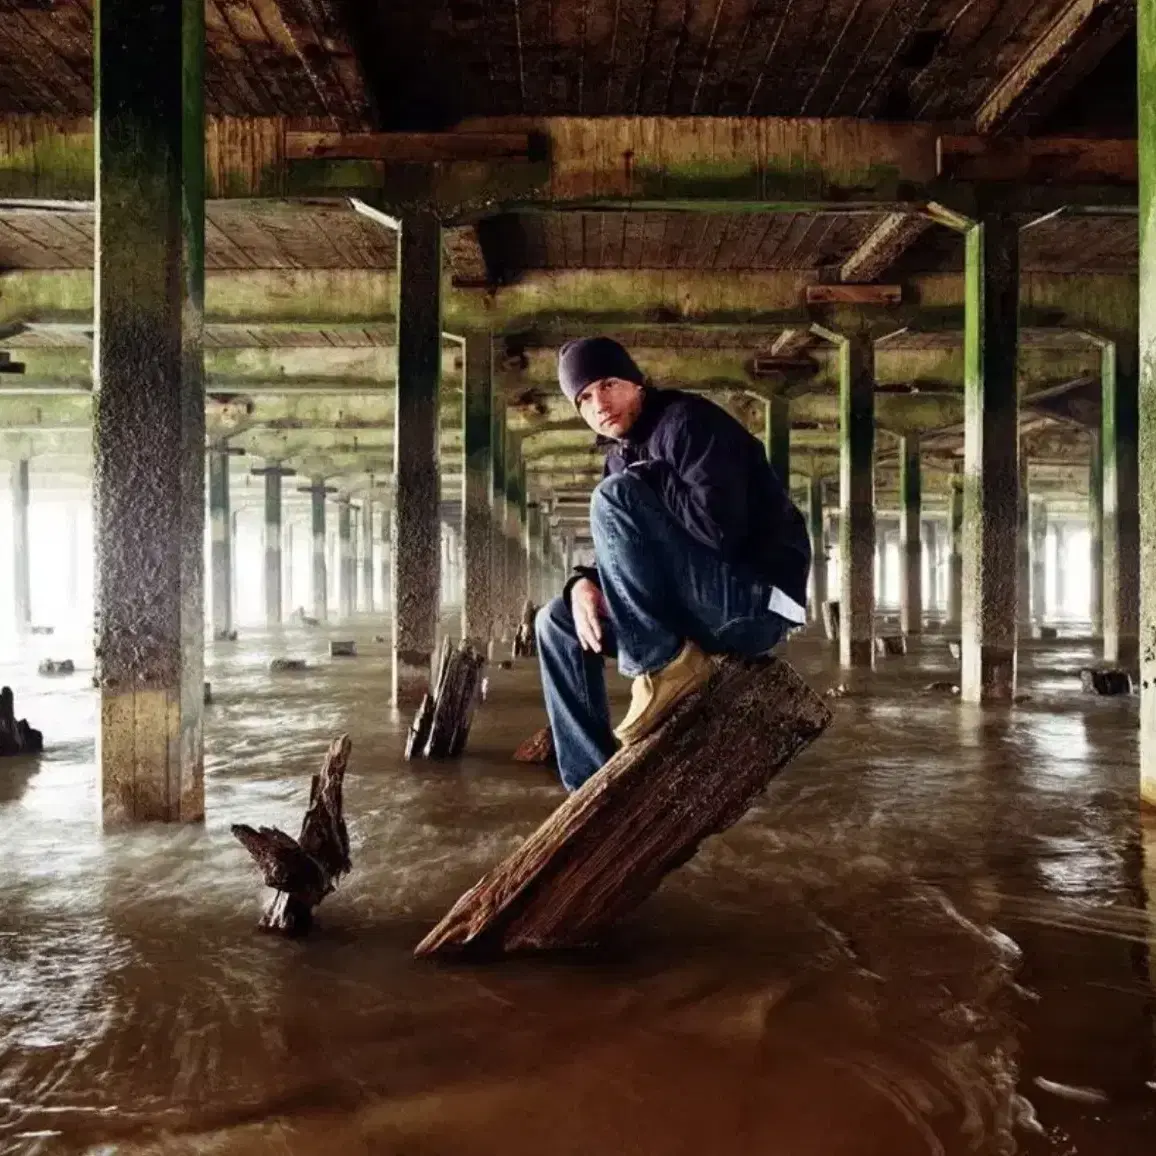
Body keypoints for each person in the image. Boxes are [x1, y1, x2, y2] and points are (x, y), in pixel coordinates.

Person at [535, 336, 812, 793]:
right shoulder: (620, 456)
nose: (599, 403)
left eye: (609, 384)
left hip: (754, 605)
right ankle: (592, 786)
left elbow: (721, 533)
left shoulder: (689, 423)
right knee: (556, 622)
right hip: (697, 607)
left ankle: (661, 668)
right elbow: (627, 552)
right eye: (583, 398)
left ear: (638, 382)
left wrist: (645, 479)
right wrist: (582, 583)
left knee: (614, 496)